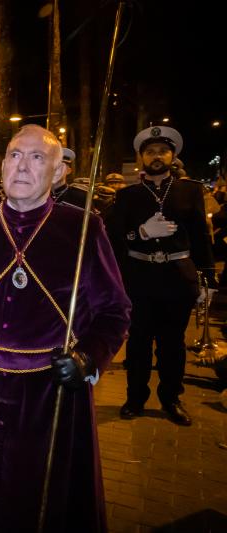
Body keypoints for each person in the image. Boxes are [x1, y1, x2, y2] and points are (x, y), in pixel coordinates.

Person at [0, 124, 131, 532]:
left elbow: (115, 310)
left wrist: (87, 356)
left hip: (50, 391)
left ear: (58, 172)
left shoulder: (83, 228)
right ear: (2, 165)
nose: (22, 166)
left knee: (41, 503)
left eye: (37, 158)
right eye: (15, 155)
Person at [106, 125, 215, 426]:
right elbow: (114, 237)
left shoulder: (190, 190)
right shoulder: (127, 195)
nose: (156, 156)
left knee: (172, 344)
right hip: (139, 278)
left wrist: (207, 279)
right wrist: (140, 233)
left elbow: (201, 236)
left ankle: (171, 399)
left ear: (172, 156)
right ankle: (135, 398)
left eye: (162, 151)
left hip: (178, 278)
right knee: (138, 343)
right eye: (150, 152)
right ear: (141, 158)